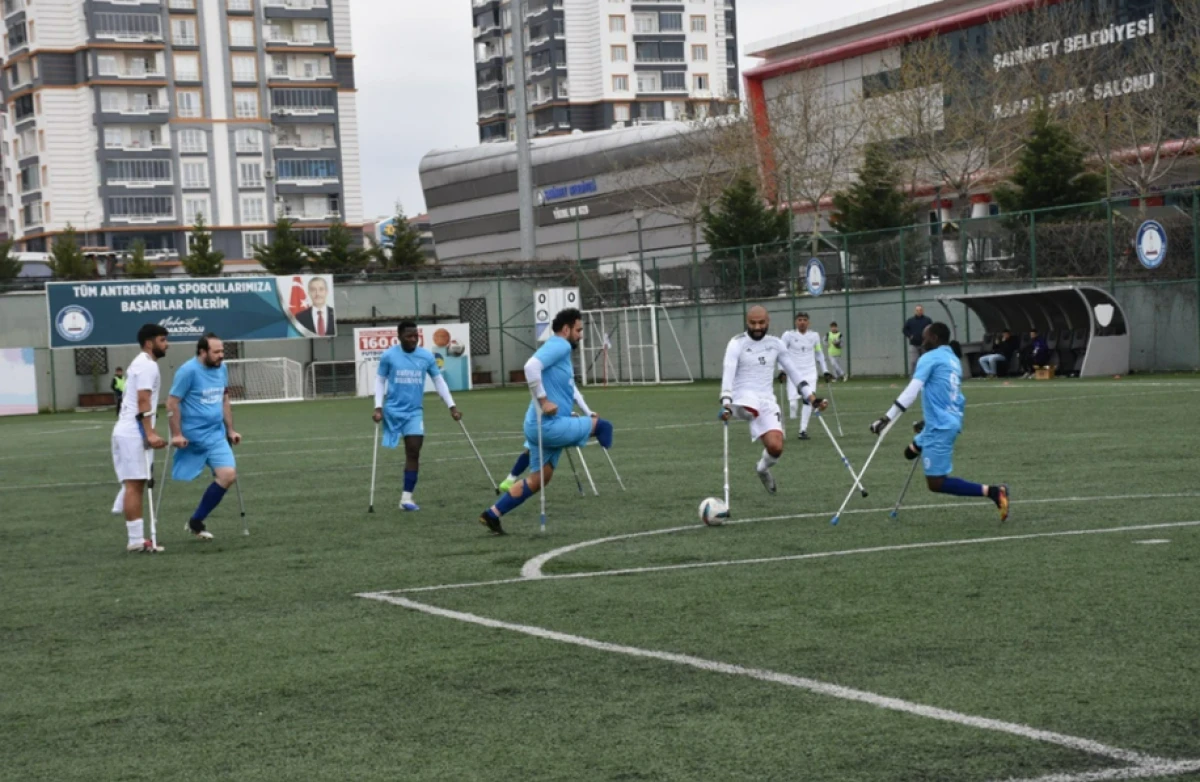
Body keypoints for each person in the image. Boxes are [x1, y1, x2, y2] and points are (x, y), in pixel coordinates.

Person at [479, 308, 611, 535]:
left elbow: (566, 388)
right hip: (546, 425)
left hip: (539, 424)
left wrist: (575, 409)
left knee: (540, 479)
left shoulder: (561, 352)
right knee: (603, 426)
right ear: (566, 329)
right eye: (578, 330)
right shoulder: (560, 344)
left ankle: (492, 514)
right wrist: (544, 401)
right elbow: (530, 367)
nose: (581, 335)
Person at [869, 322, 1008, 521]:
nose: (922, 341)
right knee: (909, 453)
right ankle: (920, 441)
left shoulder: (929, 357)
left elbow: (912, 391)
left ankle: (993, 491)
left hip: (940, 427)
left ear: (934, 338)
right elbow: (953, 396)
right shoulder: (952, 359)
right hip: (940, 422)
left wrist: (887, 418)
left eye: (925, 337)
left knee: (935, 483)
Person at [720, 306, 827, 495]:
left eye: (761, 322)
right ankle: (743, 409)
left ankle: (762, 469)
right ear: (747, 322)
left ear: (768, 322)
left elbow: (794, 372)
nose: (757, 327)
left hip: (767, 400)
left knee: (776, 447)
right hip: (743, 396)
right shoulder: (736, 343)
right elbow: (728, 372)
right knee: (749, 405)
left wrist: (812, 398)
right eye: (753, 323)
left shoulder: (776, 344)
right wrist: (726, 403)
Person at [373, 321, 461, 511]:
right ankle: (405, 497)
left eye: (416, 336)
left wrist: (451, 406)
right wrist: (378, 407)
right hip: (393, 411)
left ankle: (406, 499)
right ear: (400, 337)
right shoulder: (389, 356)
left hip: (414, 411)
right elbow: (380, 381)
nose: (413, 339)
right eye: (409, 336)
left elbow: (438, 381)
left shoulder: (426, 356)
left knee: (414, 449)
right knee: (405, 449)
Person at [166, 333, 242, 541]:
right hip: (193, 436)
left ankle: (196, 521)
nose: (221, 356)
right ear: (202, 352)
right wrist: (177, 434)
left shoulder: (222, 369)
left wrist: (230, 430)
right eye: (216, 352)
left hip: (216, 433)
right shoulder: (188, 371)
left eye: (222, 351)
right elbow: (172, 403)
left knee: (228, 475)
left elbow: (224, 399)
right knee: (189, 474)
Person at [110, 324, 169, 553]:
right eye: (162, 340)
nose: (167, 344)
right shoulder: (147, 365)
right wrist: (150, 433)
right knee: (135, 483)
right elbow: (143, 400)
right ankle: (135, 540)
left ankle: (134, 534)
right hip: (133, 431)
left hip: (129, 429)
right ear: (149, 342)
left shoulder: (142, 363)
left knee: (135, 482)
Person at [498, 388, 597, 492]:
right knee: (543, 452)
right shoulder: (558, 380)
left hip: (541, 420)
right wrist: (588, 413)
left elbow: (574, 395)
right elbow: (576, 395)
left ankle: (510, 479)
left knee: (530, 450)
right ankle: (520, 483)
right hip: (550, 420)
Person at [780, 312, 833, 441]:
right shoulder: (788, 335)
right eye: (799, 320)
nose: (802, 322)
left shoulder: (814, 336)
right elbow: (780, 353)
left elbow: (819, 353)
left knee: (808, 400)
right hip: (794, 373)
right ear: (795, 322)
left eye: (804, 320)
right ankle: (789, 424)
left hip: (810, 372)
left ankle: (802, 430)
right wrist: (781, 370)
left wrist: (825, 370)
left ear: (808, 322)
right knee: (793, 405)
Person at [902, 305, 932, 374]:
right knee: (914, 361)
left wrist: (928, 339)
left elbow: (932, 329)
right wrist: (910, 336)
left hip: (925, 344)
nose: (919, 312)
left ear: (922, 311)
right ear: (915, 311)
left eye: (920, 310)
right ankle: (913, 378)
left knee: (925, 361)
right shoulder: (910, 321)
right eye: (917, 310)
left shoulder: (927, 320)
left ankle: (926, 376)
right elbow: (904, 330)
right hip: (914, 345)